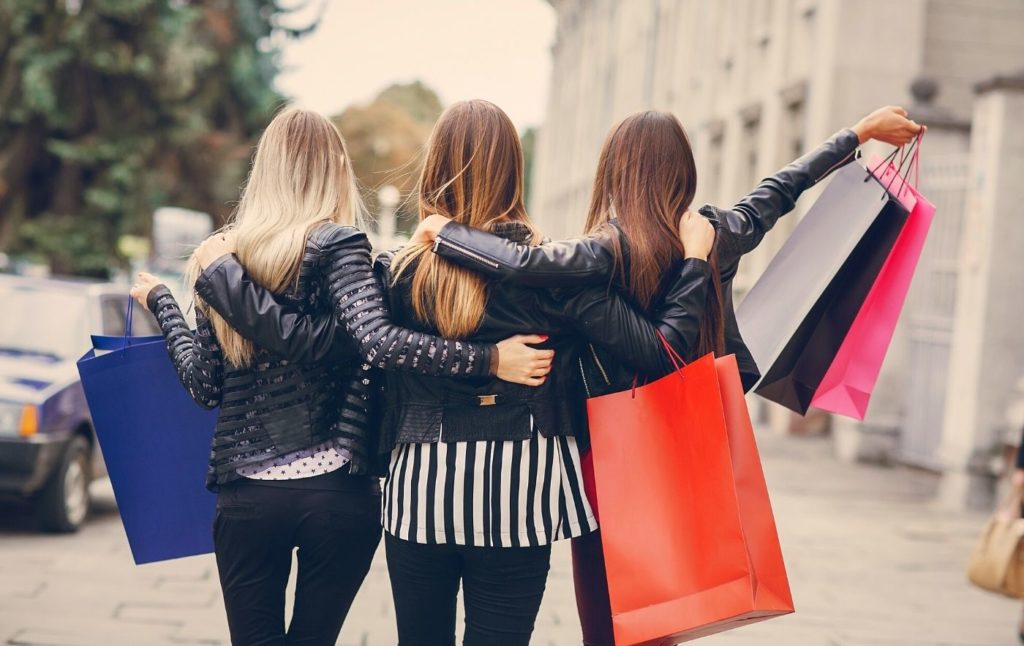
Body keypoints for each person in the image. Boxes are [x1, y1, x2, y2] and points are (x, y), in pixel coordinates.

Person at [192, 99, 716, 646]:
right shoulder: (558, 273)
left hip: (422, 490)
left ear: (434, 168)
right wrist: (697, 263)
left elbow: (346, 343)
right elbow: (659, 352)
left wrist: (226, 280)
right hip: (523, 494)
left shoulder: (397, 273)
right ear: (516, 171)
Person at [409, 105, 924, 644]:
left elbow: (521, 265)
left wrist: (444, 231)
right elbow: (782, 187)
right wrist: (858, 133)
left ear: (612, 172)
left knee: (613, 618)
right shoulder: (717, 230)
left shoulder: (602, 252)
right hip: (695, 442)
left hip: (610, 455)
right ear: (684, 170)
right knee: (667, 613)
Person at [128, 107, 552, 646]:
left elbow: (204, 387)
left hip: (247, 497)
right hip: (336, 493)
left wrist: (165, 305)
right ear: (336, 169)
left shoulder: (220, 260)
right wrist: (490, 360)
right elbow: (366, 342)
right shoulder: (345, 250)